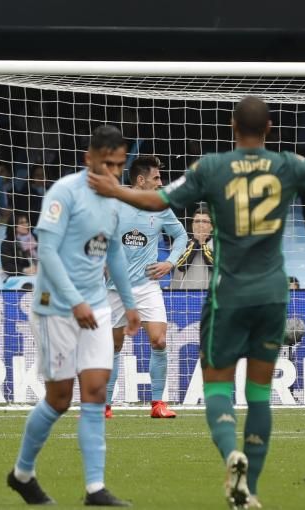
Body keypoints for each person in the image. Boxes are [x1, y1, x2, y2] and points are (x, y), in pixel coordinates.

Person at [88, 96, 305, 510]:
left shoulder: (212, 168)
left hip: (229, 294)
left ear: (232, 126)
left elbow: (157, 201)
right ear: (270, 128)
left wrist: (114, 188)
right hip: (272, 295)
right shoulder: (287, 164)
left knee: (218, 384)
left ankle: (229, 457)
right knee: (258, 395)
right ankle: (249, 490)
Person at [7, 125, 140, 507]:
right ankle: (22, 474)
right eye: (107, 164)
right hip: (56, 307)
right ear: (89, 158)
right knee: (60, 399)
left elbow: (113, 252)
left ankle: (95, 489)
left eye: (119, 165)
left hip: (96, 305)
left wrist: (128, 303)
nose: (113, 172)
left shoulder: (116, 199)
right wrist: (74, 301)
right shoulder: (64, 192)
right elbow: (46, 252)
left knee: (96, 391)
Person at [104, 156, 188, 419]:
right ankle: (104, 407)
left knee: (159, 340)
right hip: (115, 288)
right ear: (140, 181)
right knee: (113, 347)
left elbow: (181, 236)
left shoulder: (160, 206)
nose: (161, 183)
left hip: (148, 286)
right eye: (156, 178)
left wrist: (169, 262)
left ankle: (157, 404)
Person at [172, 207, 214, 290]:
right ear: (192, 225)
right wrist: (195, 242)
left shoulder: (218, 244)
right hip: (185, 295)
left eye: (205, 221)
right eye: (197, 221)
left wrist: (202, 243)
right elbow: (181, 266)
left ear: (212, 226)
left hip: (210, 294)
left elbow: (215, 266)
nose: (200, 224)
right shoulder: (181, 242)